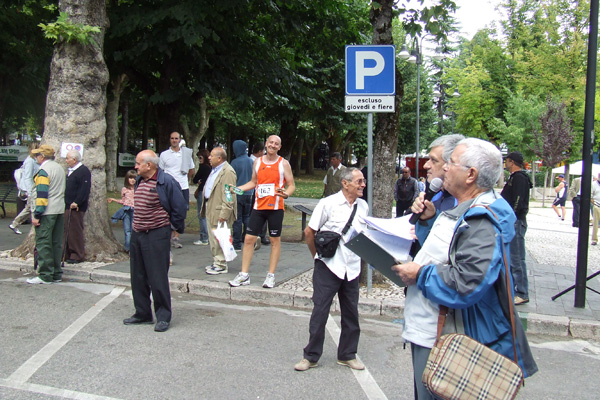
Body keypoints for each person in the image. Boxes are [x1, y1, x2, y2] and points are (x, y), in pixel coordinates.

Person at [394, 138, 538, 399]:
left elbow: (466, 281)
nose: (444, 168)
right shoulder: (464, 208)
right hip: (437, 331)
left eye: (450, 163)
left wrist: (420, 273)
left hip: (451, 337)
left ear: (471, 174)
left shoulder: (482, 216)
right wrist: (428, 220)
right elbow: (449, 253)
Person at [294, 168, 368, 372]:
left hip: (352, 268)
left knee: (351, 313)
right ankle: (310, 356)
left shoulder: (363, 206)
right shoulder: (328, 203)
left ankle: (347, 355)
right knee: (320, 311)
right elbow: (309, 231)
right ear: (345, 183)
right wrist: (316, 257)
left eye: (363, 181)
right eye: (359, 181)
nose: (363, 185)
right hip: (329, 266)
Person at [124, 150, 187, 332]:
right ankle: (142, 313)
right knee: (138, 276)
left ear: (149, 165)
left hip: (157, 234)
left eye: (138, 163)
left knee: (157, 277)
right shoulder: (139, 181)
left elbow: (180, 207)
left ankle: (163, 316)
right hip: (138, 233)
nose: (135, 167)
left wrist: (171, 228)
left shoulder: (166, 181)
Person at [229, 135, 295, 288]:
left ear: (279, 147)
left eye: (276, 144)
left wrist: (286, 193)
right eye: (270, 142)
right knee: (248, 240)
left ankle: (270, 276)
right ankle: (244, 275)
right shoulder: (257, 162)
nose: (272, 145)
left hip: (276, 208)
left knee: (274, 241)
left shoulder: (283, 163)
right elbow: (253, 182)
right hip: (258, 207)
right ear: (266, 144)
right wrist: (238, 189)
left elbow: (291, 184)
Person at [26, 144, 66, 284]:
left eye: (37, 155)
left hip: (47, 212)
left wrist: (37, 214)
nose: (36, 158)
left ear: (42, 156)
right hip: (59, 210)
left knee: (43, 242)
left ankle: (45, 274)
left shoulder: (43, 171)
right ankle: (56, 273)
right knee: (56, 243)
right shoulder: (59, 168)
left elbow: (42, 195)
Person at [501, 151, 533, 305]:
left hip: (516, 221)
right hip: (515, 220)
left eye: (506, 160)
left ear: (512, 162)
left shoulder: (519, 178)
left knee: (516, 258)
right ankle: (516, 289)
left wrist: (512, 216)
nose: (505, 163)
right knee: (513, 257)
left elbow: (518, 200)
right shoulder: (517, 177)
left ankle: (521, 291)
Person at [202, 147, 237, 275]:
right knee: (213, 238)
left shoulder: (228, 172)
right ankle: (217, 261)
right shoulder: (216, 169)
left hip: (219, 210)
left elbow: (229, 194)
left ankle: (221, 264)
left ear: (219, 158)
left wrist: (224, 213)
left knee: (219, 238)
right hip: (211, 207)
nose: (209, 158)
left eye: (211, 156)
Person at [159, 131, 194, 248]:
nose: (174, 140)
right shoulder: (164, 155)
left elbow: (191, 170)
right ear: (170, 140)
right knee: (167, 211)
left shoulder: (186, 154)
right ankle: (167, 236)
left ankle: (176, 237)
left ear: (180, 140)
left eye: (176, 138)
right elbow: (161, 171)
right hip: (168, 187)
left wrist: (185, 180)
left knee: (181, 212)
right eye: (172, 138)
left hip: (183, 187)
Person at [63, 150, 91, 264]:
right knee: (67, 230)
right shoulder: (71, 171)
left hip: (76, 207)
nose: (66, 161)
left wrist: (77, 202)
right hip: (67, 205)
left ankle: (77, 254)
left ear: (74, 159)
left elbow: (84, 189)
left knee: (75, 231)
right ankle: (67, 252)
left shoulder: (83, 171)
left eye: (67, 158)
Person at [9, 143, 40, 235]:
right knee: (32, 208)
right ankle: (33, 228)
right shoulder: (30, 161)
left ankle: (15, 224)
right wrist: (30, 191)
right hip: (31, 188)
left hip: (33, 188)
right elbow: (28, 177)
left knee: (29, 208)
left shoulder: (34, 160)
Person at [230, 140, 254, 251]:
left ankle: (237, 244)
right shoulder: (251, 161)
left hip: (238, 192)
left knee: (237, 219)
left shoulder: (234, 162)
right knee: (247, 217)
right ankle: (250, 240)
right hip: (250, 192)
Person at [108, 170, 137, 252]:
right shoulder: (124, 189)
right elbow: (123, 201)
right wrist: (114, 199)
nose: (132, 180)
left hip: (135, 211)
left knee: (133, 230)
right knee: (127, 230)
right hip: (127, 210)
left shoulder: (137, 189)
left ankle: (133, 248)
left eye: (134, 178)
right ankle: (127, 248)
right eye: (130, 178)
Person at [250, 141, 269, 246]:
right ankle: (259, 235)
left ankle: (260, 234)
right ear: (260, 151)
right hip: (255, 190)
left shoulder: (259, 161)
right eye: (264, 150)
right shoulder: (254, 161)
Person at [192, 149, 211, 246]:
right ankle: (208, 236)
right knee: (207, 215)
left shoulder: (203, 167)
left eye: (200, 157)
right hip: (209, 192)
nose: (199, 159)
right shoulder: (211, 167)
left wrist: (199, 181)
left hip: (202, 192)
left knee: (201, 215)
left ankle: (204, 237)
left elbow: (195, 179)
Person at [591, 174, 600, 246]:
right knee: (595, 223)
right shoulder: (594, 184)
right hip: (597, 205)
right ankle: (594, 239)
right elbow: (591, 195)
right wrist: (594, 203)